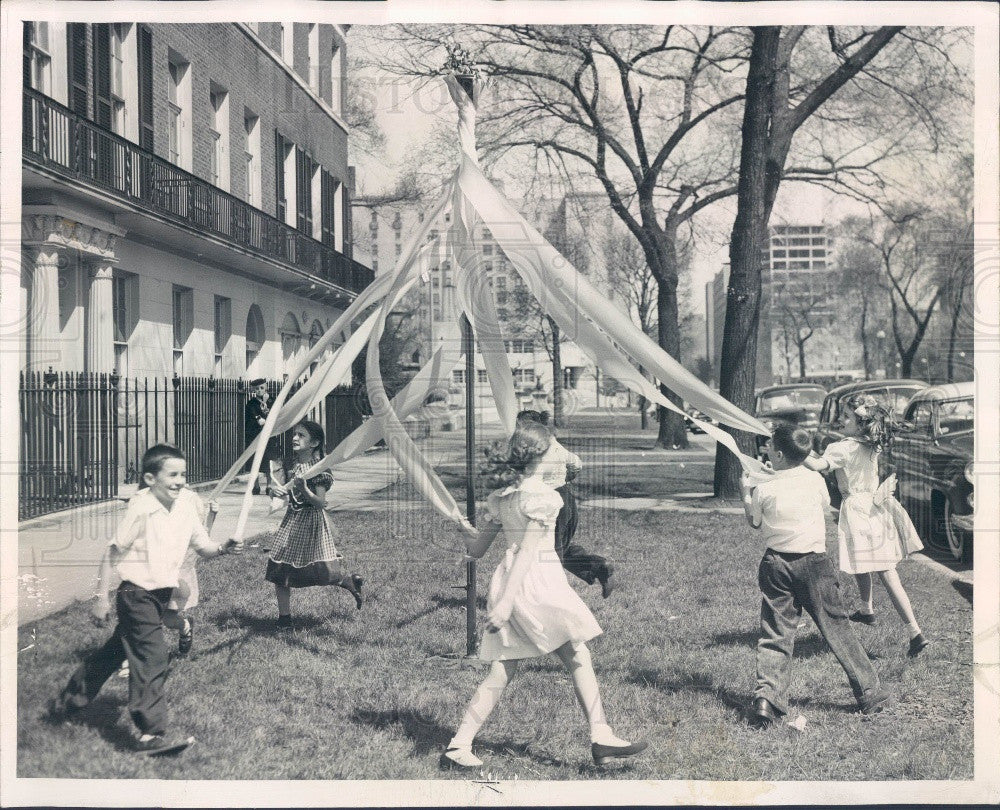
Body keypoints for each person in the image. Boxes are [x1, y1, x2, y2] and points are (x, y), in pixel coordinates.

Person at [442, 420, 646, 771]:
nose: (561, 456)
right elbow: (528, 552)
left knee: (509, 667)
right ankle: (600, 735)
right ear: (541, 456)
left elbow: (477, 550)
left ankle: (459, 745)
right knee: (577, 655)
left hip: (513, 582)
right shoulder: (544, 498)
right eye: (555, 449)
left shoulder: (503, 497)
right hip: (536, 582)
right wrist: (506, 603)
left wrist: (465, 532)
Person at [48, 444, 242, 756]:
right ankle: (151, 733)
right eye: (173, 475)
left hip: (160, 596)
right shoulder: (140, 508)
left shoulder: (185, 508)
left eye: (183, 474)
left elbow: (203, 545)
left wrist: (224, 548)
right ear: (150, 478)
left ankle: (66, 703)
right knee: (153, 659)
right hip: (135, 594)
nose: (180, 481)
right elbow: (111, 553)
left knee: (112, 654)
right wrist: (101, 598)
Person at [740, 423, 889, 728]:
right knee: (837, 627)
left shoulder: (764, 488)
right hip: (815, 563)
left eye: (769, 446)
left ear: (779, 455)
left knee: (776, 633)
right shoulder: (814, 481)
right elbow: (823, 507)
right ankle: (870, 693)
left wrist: (746, 491)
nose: (766, 449)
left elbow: (755, 522)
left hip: (776, 565)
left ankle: (767, 700)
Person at [803, 393, 928, 657]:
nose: (842, 420)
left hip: (858, 511)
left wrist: (795, 448)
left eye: (847, 417)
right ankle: (866, 608)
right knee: (864, 560)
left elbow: (815, 465)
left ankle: (915, 633)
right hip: (874, 507)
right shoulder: (871, 445)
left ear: (860, 424)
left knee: (884, 570)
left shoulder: (844, 447)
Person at [265, 420, 363, 629]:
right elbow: (278, 493)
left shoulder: (320, 469)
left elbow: (319, 503)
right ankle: (284, 619)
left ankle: (348, 581)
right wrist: (275, 491)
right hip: (291, 521)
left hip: (311, 522)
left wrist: (304, 490)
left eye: (301, 436)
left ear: (315, 443)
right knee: (280, 570)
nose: (294, 438)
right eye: (294, 434)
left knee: (321, 572)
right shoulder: (289, 465)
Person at [516, 410, 616, 598]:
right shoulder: (555, 444)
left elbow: (531, 477)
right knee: (558, 545)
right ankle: (598, 567)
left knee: (550, 552)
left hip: (551, 502)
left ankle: (553, 595)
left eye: (520, 427)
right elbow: (576, 463)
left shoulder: (538, 448)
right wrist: (567, 476)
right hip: (567, 498)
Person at [244, 378, 279, 495]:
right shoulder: (251, 403)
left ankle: (269, 485)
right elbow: (255, 417)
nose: (259, 391)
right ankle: (256, 485)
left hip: (269, 435)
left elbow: (275, 414)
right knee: (255, 460)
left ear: (266, 388)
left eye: (261, 388)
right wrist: (259, 417)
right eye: (257, 389)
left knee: (268, 459)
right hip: (255, 435)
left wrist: (266, 408)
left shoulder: (272, 401)